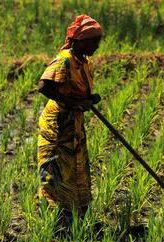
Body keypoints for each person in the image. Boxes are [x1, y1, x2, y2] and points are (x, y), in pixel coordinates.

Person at [37, 15, 103, 230]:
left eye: (98, 41)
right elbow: (44, 87)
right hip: (57, 126)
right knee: (56, 171)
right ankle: (54, 224)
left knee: (76, 170)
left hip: (73, 125)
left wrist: (88, 99)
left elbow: (77, 91)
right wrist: (73, 104)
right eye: (94, 41)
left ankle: (76, 222)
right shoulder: (64, 59)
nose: (97, 45)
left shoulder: (83, 61)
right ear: (80, 40)